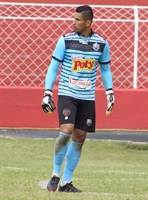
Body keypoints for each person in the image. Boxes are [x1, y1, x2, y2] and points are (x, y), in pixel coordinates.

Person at [41, 5, 115, 193]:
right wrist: (47, 91)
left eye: (77, 20)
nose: (73, 22)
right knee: (66, 131)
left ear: (88, 22)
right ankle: (55, 175)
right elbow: (53, 67)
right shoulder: (65, 40)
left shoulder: (101, 44)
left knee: (80, 137)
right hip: (67, 93)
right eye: (73, 19)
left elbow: (105, 69)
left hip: (87, 97)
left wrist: (109, 92)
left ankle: (66, 182)